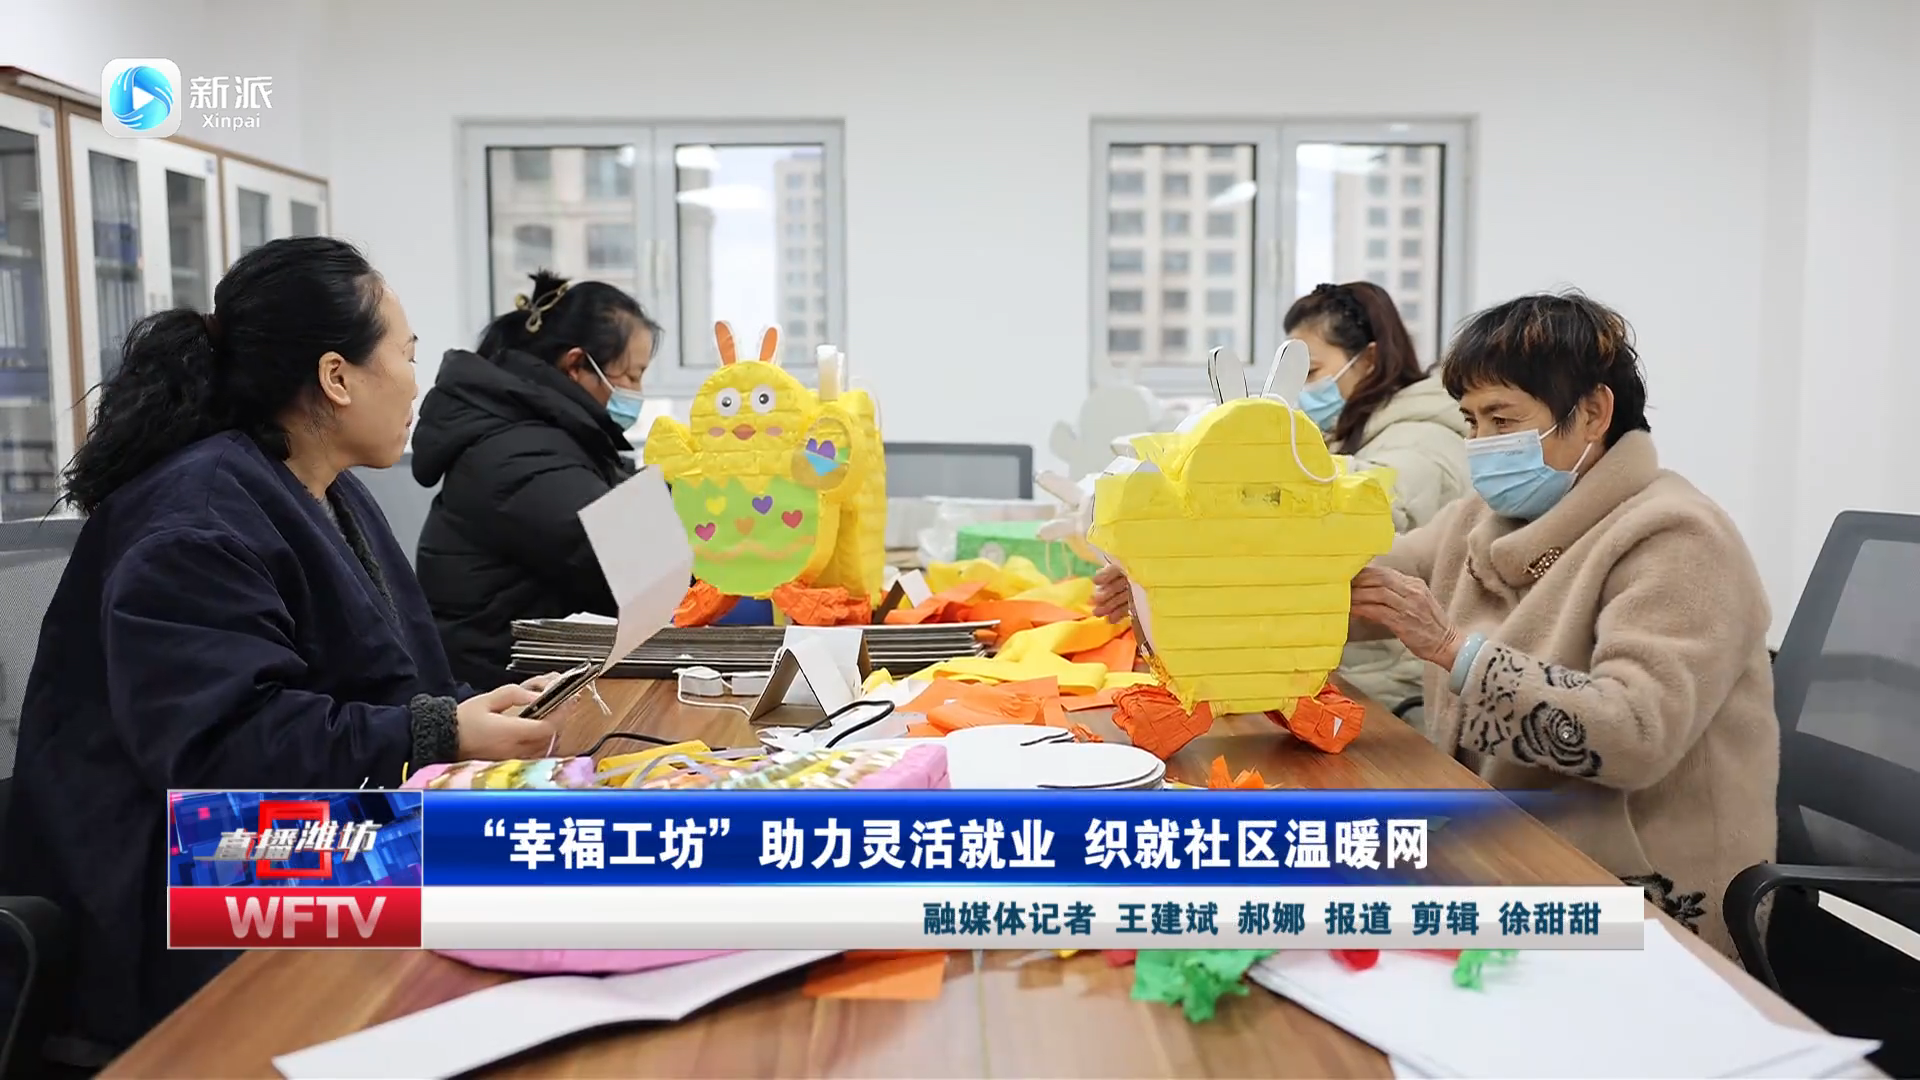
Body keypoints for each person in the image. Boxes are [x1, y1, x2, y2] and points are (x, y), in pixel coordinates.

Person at [2, 237, 561, 1062]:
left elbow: (385, 683)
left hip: (286, 835)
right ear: (337, 377)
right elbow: (225, 752)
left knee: (566, 860)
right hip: (187, 877)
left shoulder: (321, 489)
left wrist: (469, 716)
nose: (416, 381)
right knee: (551, 879)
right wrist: (438, 732)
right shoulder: (196, 521)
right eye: (406, 355)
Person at [1097, 292, 1778, 956]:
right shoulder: (1481, 521)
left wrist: (1453, 650)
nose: (1480, 444)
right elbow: (1331, 579)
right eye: (1471, 421)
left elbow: (1635, 733)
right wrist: (1176, 582)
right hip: (1497, 829)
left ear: (1594, 412)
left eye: (1502, 420)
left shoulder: (1678, 539)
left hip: (1629, 891)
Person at [411, 271, 661, 690]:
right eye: (631, 376)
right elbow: (632, 563)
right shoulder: (517, 451)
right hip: (497, 691)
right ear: (577, 365)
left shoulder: (552, 434)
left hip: (529, 676)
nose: (638, 391)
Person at [1283, 281, 1470, 712]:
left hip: (1395, 692)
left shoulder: (1424, 441)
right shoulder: (1354, 433)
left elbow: (1370, 504)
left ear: (1368, 359)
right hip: (1354, 671)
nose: (1302, 390)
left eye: (1311, 372)